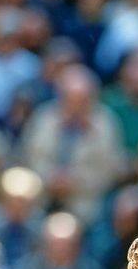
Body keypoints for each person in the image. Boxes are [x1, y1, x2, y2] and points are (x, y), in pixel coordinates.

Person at [19, 64, 126, 222]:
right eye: (69, 99)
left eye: (81, 100)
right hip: (42, 199)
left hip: (87, 205)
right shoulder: (43, 119)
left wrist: (74, 181)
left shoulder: (105, 124)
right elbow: (28, 158)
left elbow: (110, 170)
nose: (75, 106)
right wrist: (50, 179)